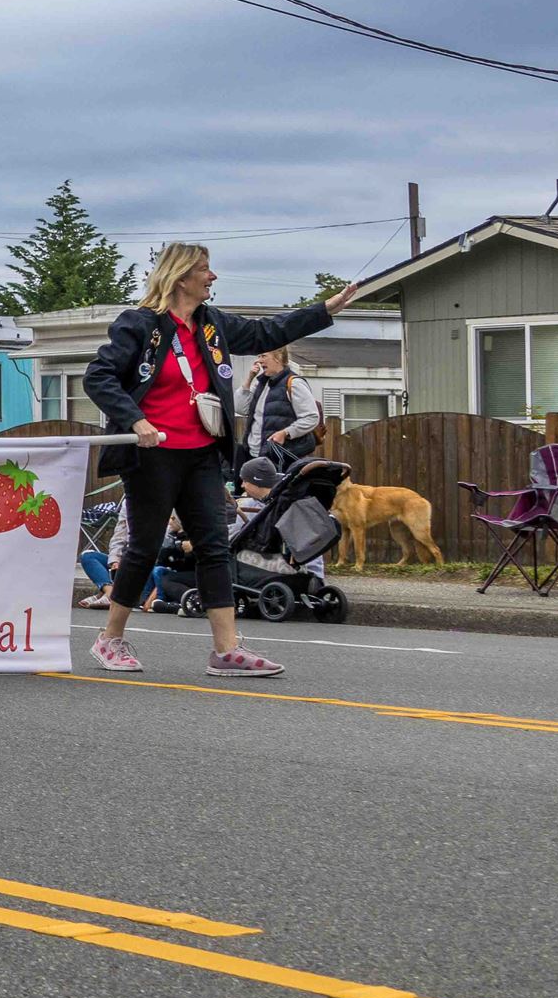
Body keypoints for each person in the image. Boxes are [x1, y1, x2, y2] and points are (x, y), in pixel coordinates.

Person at [84, 244, 355, 678]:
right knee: (144, 545)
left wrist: (325, 309)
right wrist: (136, 421)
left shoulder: (213, 325)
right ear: (180, 277)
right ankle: (109, 638)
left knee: (214, 546)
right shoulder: (138, 324)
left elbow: (268, 332)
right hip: (153, 455)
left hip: (203, 454)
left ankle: (226, 650)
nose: (212, 278)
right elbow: (98, 376)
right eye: (205, 270)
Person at [241, 347, 321, 468]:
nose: (259, 361)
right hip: (254, 454)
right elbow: (240, 408)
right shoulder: (260, 383)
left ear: (278, 358)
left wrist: (285, 433)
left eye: (263, 356)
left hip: (280, 456)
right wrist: (249, 379)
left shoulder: (294, 383)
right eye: (258, 357)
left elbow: (311, 417)